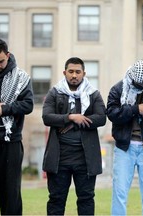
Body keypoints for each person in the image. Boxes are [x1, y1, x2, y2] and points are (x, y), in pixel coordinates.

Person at [42, 57, 106, 215]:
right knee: (56, 199)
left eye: (78, 72)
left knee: (86, 199)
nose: (74, 75)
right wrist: (70, 117)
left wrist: (81, 119)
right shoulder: (55, 93)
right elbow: (47, 117)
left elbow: (101, 118)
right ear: (65, 72)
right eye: (71, 71)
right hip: (59, 157)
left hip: (85, 158)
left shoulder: (93, 94)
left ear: (84, 73)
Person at [106, 60, 143, 216]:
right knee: (120, 190)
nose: (142, 85)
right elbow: (112, 114)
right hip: (124, 147)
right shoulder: (118, 89)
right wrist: (136, 109)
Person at [0, 39, 34, 215]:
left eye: (1, 61)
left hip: (10, 142)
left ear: (8, 55)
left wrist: (3, 109)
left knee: (10, 193)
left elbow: (28, 105)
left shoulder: (21, 77)